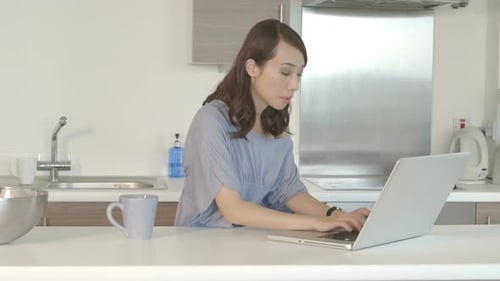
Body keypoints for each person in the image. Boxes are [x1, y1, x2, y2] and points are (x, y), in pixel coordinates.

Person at [175, 19, 370, 232]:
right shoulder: (211, 121)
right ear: (252, 68)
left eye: (299, 74)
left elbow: (288, 191)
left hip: (247, 244)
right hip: (202, 247)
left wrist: (336, 215)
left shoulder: (275, 127)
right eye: (286, 72)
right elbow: (233, 210)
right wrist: (316, 223)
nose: (294, 85)